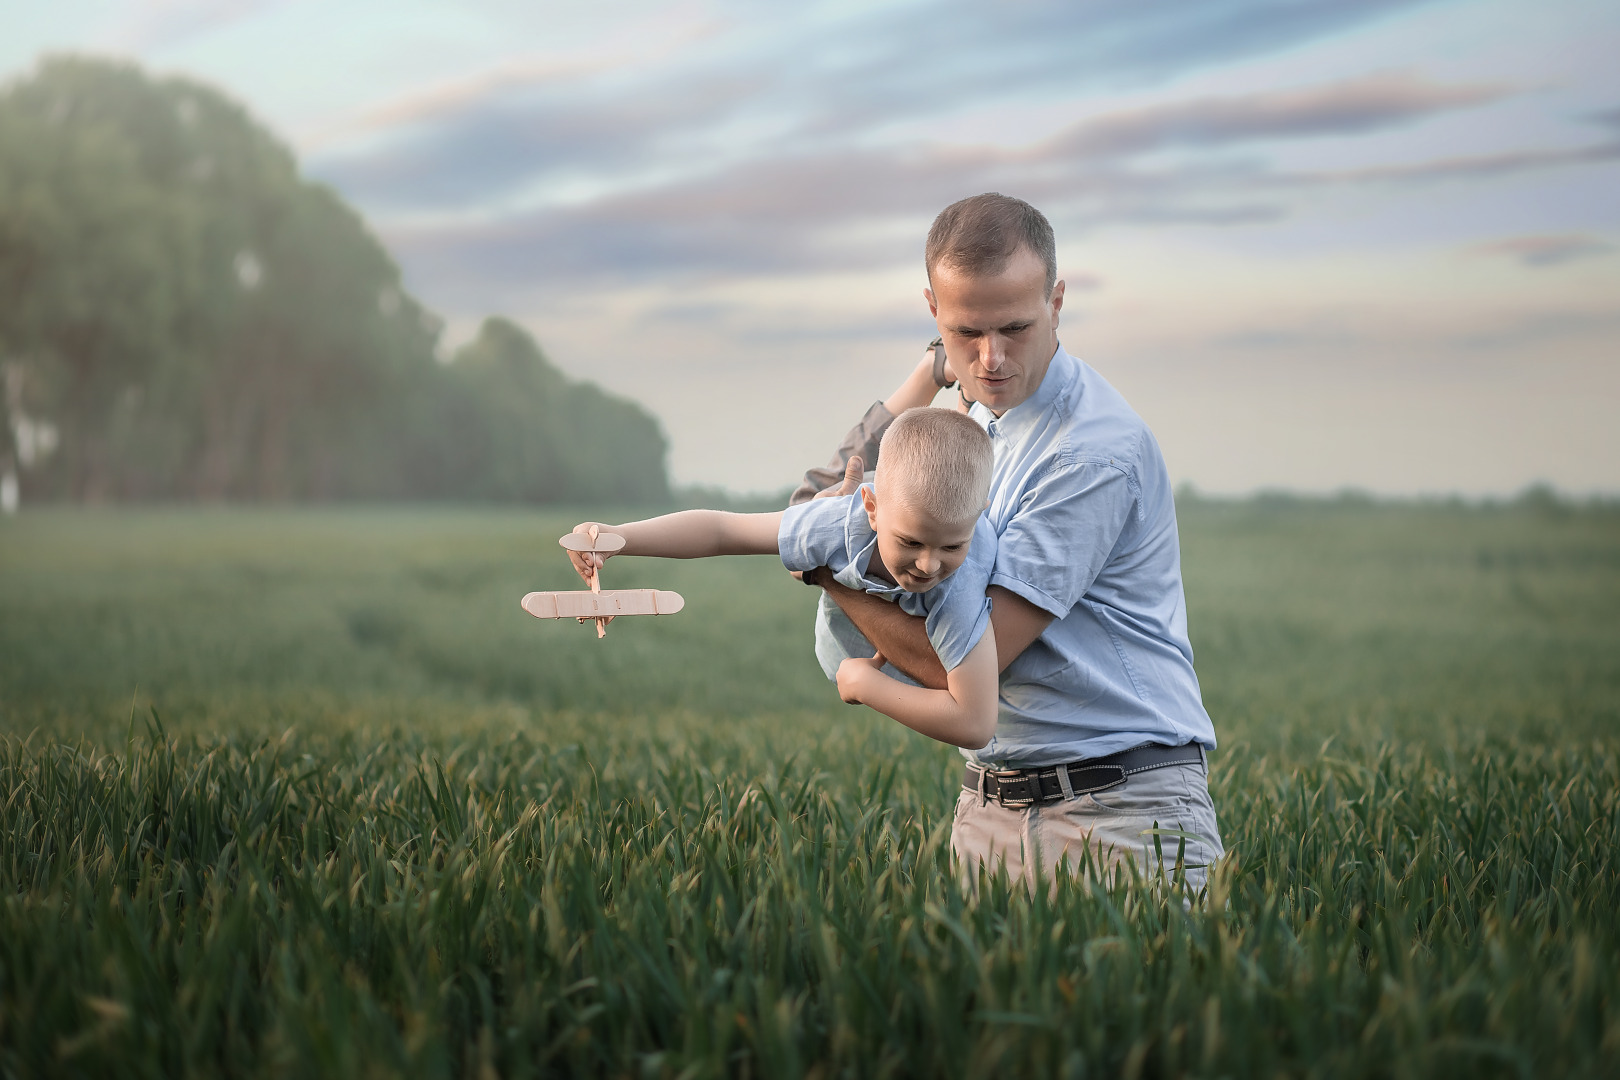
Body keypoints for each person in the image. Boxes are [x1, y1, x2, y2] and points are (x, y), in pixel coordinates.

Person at [796, 192, 1224, 892]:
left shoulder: (1089, 453)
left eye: (1015, 328)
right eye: (968, 333)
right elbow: (837, 486)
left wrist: (824, 569)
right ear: (932, 310)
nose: (992, 359)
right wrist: (927, 377)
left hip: (1119, 815)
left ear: (1058, 300)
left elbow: (965, 663)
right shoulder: (979, 416)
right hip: (989, 806)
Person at [565, 407, 1003, 750]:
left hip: (897, 676)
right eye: (910, 542)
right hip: (843, 645)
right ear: (870, 508)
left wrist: (867, 686)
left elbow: (975, 722)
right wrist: (615, 537)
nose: (928, 565)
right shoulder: (835, 524)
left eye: (950, 546)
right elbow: (723, 530)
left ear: (976, 518)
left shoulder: (960, 580)